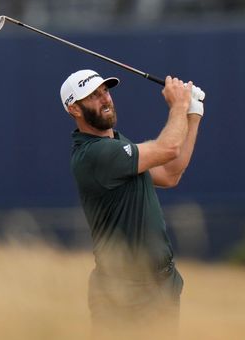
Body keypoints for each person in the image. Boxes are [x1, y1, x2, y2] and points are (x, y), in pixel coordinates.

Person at [61, 69, 203, 333]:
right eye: (92, 96)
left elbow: (170, 173)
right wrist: (179, 104)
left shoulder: (116, 143)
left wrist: (193, 114)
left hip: (161, 285)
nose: (105, 99)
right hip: (125, 293)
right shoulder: (94, 155)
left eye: (105, 91)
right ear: (74, 109)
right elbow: (168, 148)